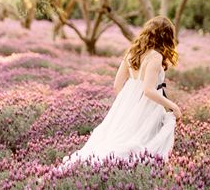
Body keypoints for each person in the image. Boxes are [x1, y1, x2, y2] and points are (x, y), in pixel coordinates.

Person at [58, 15, 182, 171]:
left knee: (117, 138)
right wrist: (173, 106)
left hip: (127, 102)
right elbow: (148, 90)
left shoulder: (132, 53)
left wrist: (127, 104)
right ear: (166, 36)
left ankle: (98, 168)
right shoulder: (155, 57)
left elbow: (117, 85)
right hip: (146, 105)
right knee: (138, 142)